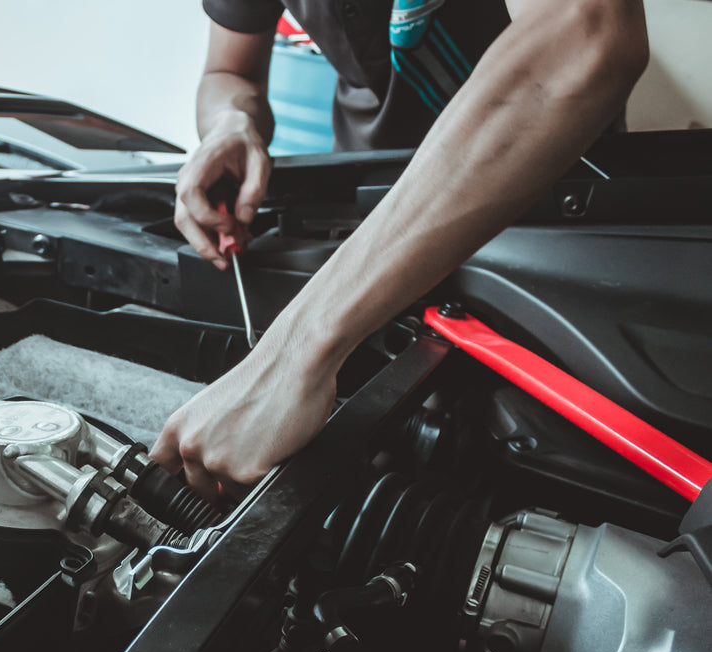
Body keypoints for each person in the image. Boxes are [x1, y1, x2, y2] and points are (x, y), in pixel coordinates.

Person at [152, 0, 648, 499]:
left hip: (555, 200)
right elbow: (227, 72)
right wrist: (231, 121)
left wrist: (294, 351)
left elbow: (585, 30)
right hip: (372, 198)